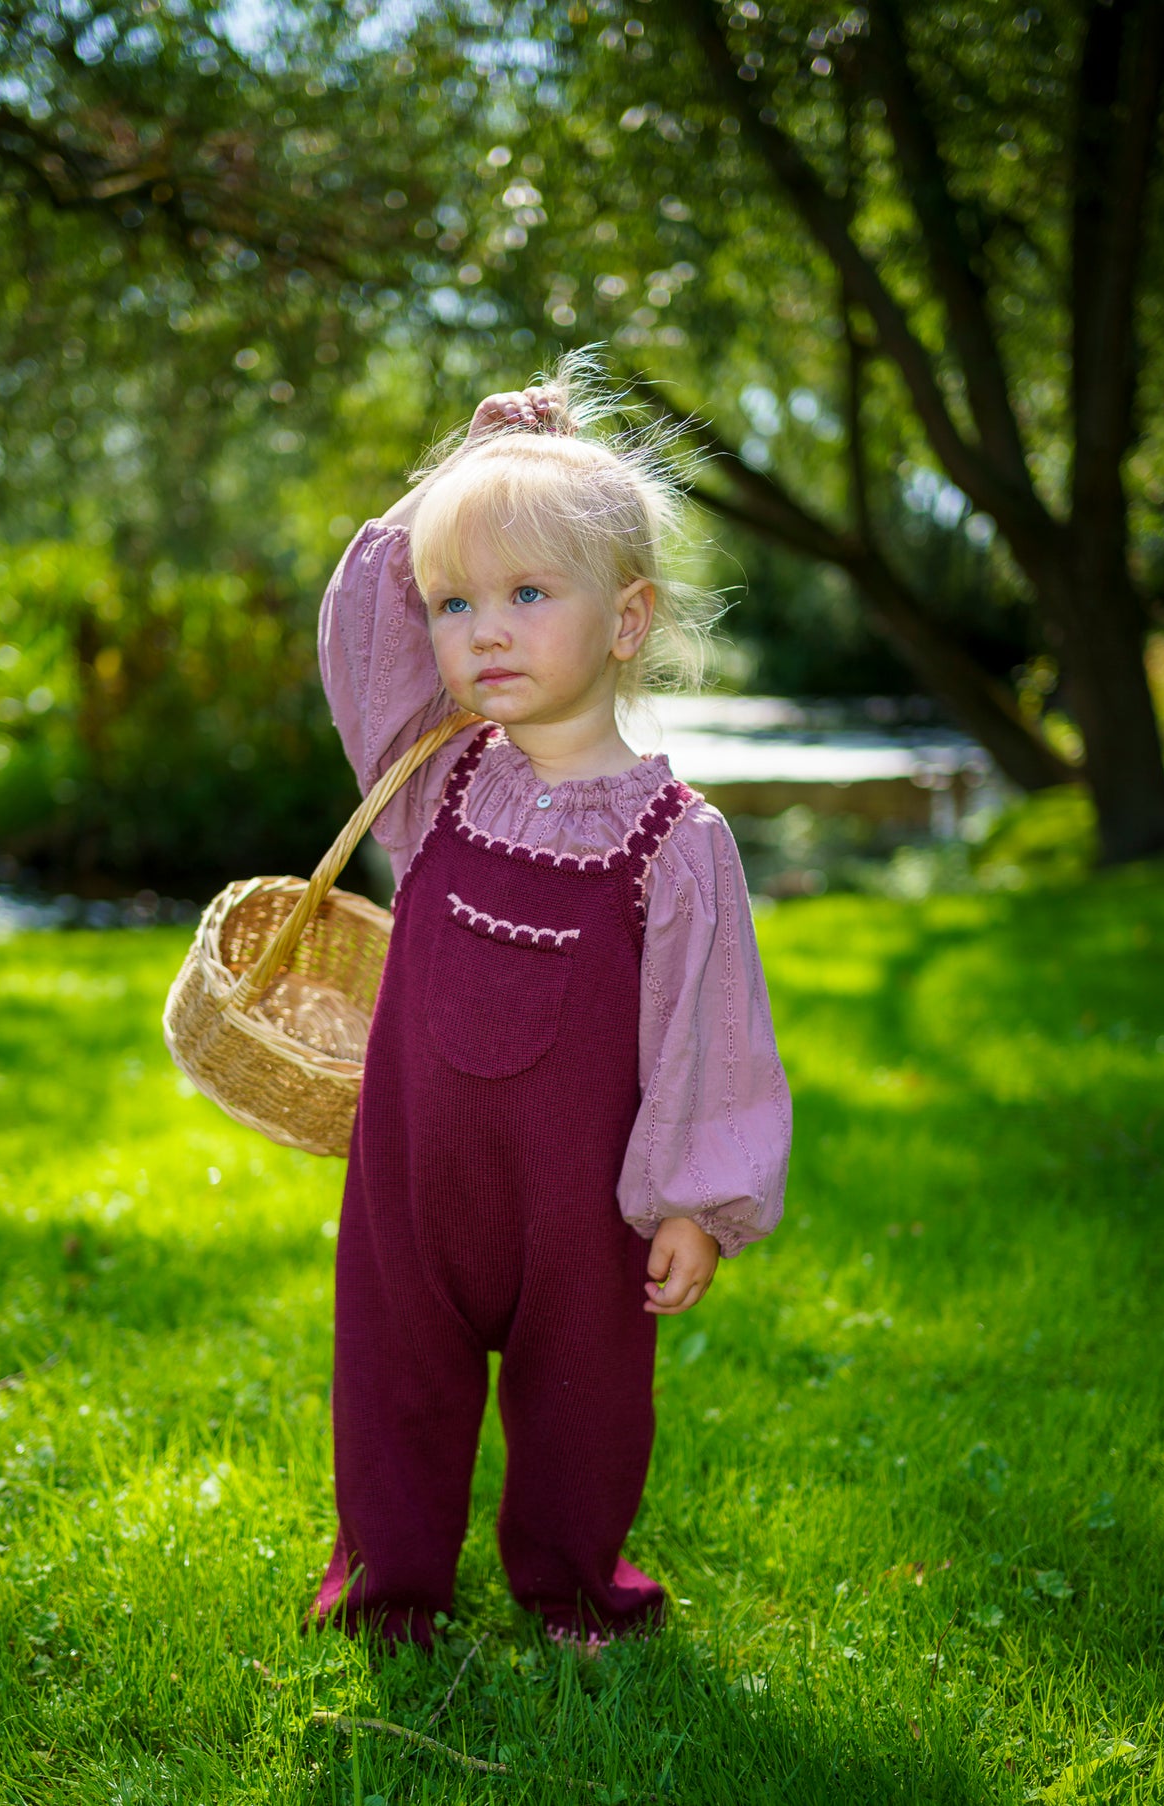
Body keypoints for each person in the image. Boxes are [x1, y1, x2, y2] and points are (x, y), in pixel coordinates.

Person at [312, 357, 792, 1647]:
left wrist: (694, 1197)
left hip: (579, 1208)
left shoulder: (676, 842)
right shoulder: (433, 778)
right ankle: (390, 1586)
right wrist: (455, 487)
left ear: (627, 620)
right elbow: (364, 623)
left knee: (584, 1400)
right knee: (391, 1386)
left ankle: (576, 1588)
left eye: (530, 594)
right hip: (414, 1182)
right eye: (458, 601)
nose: (486, 630)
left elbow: (712, 1036)